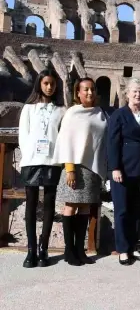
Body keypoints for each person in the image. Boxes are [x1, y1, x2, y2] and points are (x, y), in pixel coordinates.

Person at [52, 77, 109, 266]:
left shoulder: (100, 114)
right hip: (74, 167)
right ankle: (69, 251)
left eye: (92, 89)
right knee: (70, 207)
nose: (90, 93)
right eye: (85, 90)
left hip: (92, 168)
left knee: (85, 208)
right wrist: (69, 170)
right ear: (78, 92)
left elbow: (102, 141)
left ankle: (80, 250)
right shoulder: (72, 113)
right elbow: (66, 141)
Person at [18, 69, 66, 268]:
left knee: (48, 206)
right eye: (46, 83)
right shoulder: (29, 108)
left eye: (52, 84)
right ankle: (30, 250)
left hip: (52, 161)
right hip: (31, 161)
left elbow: (62, 136)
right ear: (39, 84)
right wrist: (28, 155)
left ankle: (43, 248)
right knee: (30, 206)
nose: (49, 87)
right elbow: (23, 135)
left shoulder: (61, 110)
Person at [107, 78, 140, 266]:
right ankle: (123, 249)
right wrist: (114, 167)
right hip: (123, 170)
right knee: (122, 211)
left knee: (137, 211)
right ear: (127, 93)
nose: (138, 95)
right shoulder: (118, 115)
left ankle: (134, 246)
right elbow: (112, 143)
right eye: (134, 91)